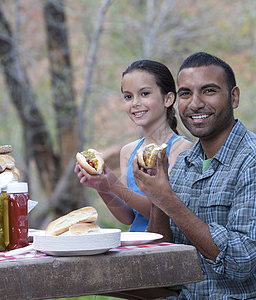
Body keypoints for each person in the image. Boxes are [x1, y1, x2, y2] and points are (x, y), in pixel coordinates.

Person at [133, 52, 256, 299]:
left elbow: (240, 261)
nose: (195, 104)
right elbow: (164, 259)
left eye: (208, 91)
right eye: (185, 94)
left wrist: (167, 199)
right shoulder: (185, 162)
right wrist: (156, 196)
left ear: (234, 97)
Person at [74, 59, 192, 232]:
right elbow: (129, 217)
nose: (135, 102)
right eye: (128, 96)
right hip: (136, 248)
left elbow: (167, 213)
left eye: (144, 94)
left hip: (167, 249)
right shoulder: (128, 151)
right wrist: (103, 187)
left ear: (168, 99)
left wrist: (114, 185)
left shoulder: (180, 149)